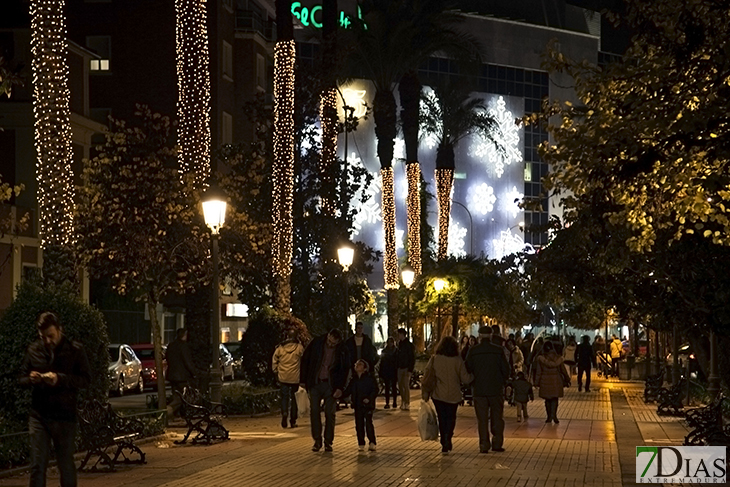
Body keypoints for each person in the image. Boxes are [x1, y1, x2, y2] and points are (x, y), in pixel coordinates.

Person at [19, 311, 90, 487]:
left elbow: (86, 380)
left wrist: (60, 379)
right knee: (37, 465)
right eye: (43, 337)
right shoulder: (34, 350)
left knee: (65, 464)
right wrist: (31, 379)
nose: (47, 341)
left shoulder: (75, 350)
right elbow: (19, 378)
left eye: (51, 336)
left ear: (60, 330)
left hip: (64, 415)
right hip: (39, 416)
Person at [300, 328, 350, 452]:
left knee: (330, 413)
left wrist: (340, 388)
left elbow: (345, 369)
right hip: (316, 382)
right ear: (327, 336)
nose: (330, 344)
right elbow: (306, 360)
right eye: (329, 341)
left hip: (331, 385)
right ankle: (317, 440)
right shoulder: (317, 343)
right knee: (315, 411)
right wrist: (303, 379)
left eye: (333, 343)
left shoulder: (342, 350)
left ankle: (328, 441)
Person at [422, 335, 472, 454]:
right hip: (454, 394)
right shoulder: (457, 360)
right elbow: (465, 378)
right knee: (451, 417)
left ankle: (443, 439)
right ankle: (448, 437)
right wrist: (473, 377)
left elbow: (427, 374)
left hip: (438, 394)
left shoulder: (435, 359)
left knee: (441, 417)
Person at [465, 326, 510, 453]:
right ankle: (497, 442)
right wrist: (504, 382)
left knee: (482, 419)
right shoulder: (498, 350)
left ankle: (484, 444)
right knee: (497, 417)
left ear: (479, 336)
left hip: (479, 389)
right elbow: (506, 369)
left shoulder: (473, 351)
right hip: (496, 389)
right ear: (491, 335)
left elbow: (467, 367)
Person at [272, 328, 304, 428]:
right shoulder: (299, 348)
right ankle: (293, 419)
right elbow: (303, 361)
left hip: (283, 377)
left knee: (284, 398)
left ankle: (284, 413)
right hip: (295, 377)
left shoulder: (280, 348)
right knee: (295, 398)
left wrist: (276, 371)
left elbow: (274, 362)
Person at [344, 359, 378, 451]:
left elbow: (375, 390)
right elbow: (348, 390)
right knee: (359, 424)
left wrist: (369, 398)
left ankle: (372, 441)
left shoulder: (370, 378)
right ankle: (361, 442)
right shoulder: (354, 379)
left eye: (360, 365)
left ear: (365, 368)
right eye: (356, 365)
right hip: (357, 404)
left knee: (368, 423)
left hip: (367, 405)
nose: (358, 366)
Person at [165, 328, 198, 418]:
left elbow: (167, 358)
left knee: (175, 394)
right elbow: (187, 361)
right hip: (181, 376)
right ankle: (169, 408)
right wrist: (194, 373)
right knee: (182, 397)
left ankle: (175, 414)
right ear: (185, 335)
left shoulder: (171, 345)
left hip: (172, 375)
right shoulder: (183, 346)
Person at [535, 341, 569, 424]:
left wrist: (536, 382)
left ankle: (549, 416)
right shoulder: (558, 358)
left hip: (545, 380)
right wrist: (567, 379)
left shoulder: (541, 359)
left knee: (547, 400)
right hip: (556, 380)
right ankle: (554, 415)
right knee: (555, 399)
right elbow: (563, 370)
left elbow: (538, 371)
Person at [395, 328, 416, 411]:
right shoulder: (399, 345)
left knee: (405, 385)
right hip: (400, 367)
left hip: (406, 367)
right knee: (400, 385)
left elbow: (412, 357)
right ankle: (403, 401)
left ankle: (406, 402)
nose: (398, 336)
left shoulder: (409, 345)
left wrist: (410, 369)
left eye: (399, 334)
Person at [379, 337, 399, 409]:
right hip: (387, 371)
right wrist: (381, 372)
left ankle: (394, 402)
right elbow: (382, 362)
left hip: (394, 371)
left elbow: (398, 362)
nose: (390, 343)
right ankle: (387, 402)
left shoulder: (396, 351)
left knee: (394, 387)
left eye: (391, 342)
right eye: (389, 342)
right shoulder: (385, 351)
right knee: (387, 387)